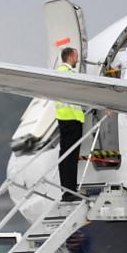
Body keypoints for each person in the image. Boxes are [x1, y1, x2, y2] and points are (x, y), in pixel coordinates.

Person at [55, 47, 85, 201]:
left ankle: (67, 190)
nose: (77, 59)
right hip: (71, 120)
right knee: (70, 157)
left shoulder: (59, 72)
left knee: (66, 156)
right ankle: (69, 192)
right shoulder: (67, 72)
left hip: (65, 119)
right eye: (76, 56)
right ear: (71, 56)